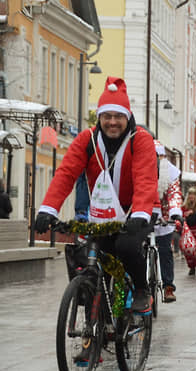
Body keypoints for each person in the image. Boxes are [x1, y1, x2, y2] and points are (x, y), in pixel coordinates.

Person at [34, 77, 159, 314]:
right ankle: (95, 335)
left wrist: (141, 213)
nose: (112, 122)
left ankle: (142, 290)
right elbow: (66, 174)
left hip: (136, 211)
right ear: (99, 117)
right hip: (102, 213)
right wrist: (47, 209)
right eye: (107, 116)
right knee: (91, 256)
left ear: (127, 117)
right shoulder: (87, 139)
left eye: (118, 116)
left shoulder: (140, 140)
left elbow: (145, 178)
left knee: (126, 246)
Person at [153, 140, 182, 302]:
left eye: (160, 156)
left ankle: (168, 287)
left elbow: (175, 194)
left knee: (165, 251)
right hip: (143, 217)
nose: (158, 160)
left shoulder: (170, 173)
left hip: (164, 220)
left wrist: (175, 213)